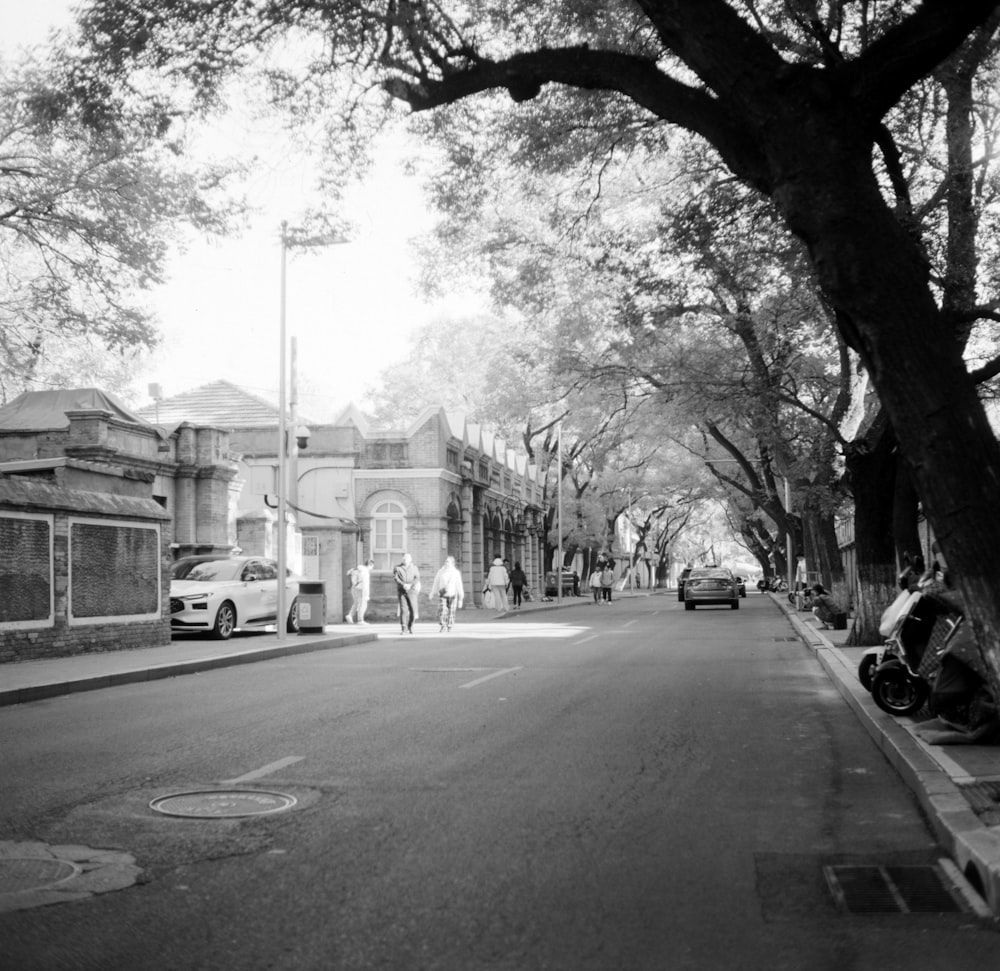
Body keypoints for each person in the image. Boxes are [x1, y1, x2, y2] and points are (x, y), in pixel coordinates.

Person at [431, 555, 465, 631]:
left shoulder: (456, 572)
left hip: (452, 594)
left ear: (452, 563)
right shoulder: (441, 571)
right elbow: (436, 582)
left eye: (448, 562)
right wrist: (432, 592)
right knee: (442, 610)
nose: (446, 563)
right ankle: (443, 625)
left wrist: (460, 599)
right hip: (442, 594)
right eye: (446, 561)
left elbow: (459, 585)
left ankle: (449, 625)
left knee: (451, 611)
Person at [393, 552, 420, 634]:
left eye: (407, 558)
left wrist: (410, 584)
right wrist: (403, 584)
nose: (405, 559)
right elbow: (396, 578)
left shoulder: (414, 568)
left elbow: (417, 578)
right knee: (403, 610)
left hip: (412, 591)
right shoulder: (397, 568)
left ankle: (411, 626)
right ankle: (403, 628)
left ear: (410, 559)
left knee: (413, 609)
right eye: (404, 558)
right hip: (402, 591)